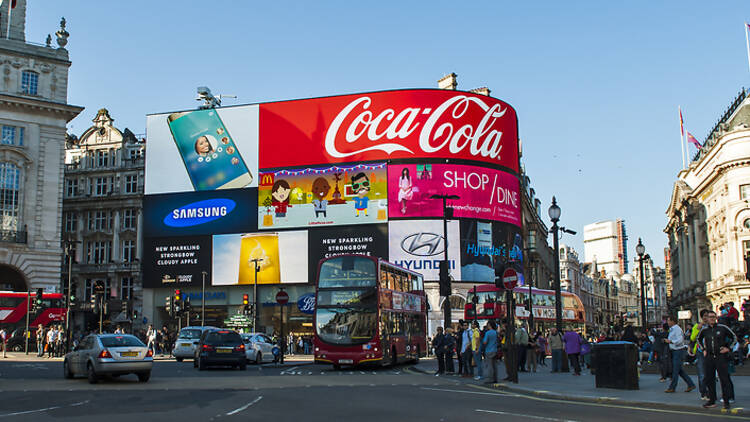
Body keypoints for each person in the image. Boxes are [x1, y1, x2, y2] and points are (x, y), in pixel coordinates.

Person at [697, 310, 737, 409]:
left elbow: (734, 337)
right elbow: (698, 339)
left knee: (724, 379)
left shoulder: (722, 328)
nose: (711, 319)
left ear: (716, 318)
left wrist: (728, 348)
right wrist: (703, 349)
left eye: (713, 317)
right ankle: (712, 400)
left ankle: (726, 401)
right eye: (710, 317)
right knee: (709, 379)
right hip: (709, 357)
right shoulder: (704, 330)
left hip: (720, 356)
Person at [664, 315, 696, 393]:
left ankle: (672, 387)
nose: (667, 322)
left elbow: (680, 340)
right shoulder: (672, 329)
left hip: (678, 351)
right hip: (674, 351)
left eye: (668, 321)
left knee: (675, 370)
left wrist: (670, 341)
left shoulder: (677, 329)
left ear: (672, 321)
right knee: (680, 370)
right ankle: (691, 384)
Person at [690, 309, 710, 400]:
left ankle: (710, 392)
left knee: (710, 373)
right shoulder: (697, 326)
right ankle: (703, 392)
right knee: (702, 373)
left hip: (710, 351)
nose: (706, 318)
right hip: (700, 351)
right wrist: (697, 329)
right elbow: (692, 338)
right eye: (705, 316)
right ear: (702, 317)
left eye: (708, 316)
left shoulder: (712, 326)